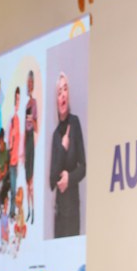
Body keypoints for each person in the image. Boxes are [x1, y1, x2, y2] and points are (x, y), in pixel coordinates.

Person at [49, 72, 86, 238]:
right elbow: (51, 180)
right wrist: (63, 149)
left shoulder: (75, 123)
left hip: (73, 212)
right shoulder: (56, 135)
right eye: (59, 92)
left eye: (65, 89)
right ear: (56, 100)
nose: (62, 95)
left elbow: (83, 167)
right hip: (59, 215)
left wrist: (69, 179)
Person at [24, 70, 38, 224]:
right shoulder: (26, 104)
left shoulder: (34, 104)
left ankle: (33, 211)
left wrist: (31, 120)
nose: (29, 85)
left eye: (31, 83)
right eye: (28, 83)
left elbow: (37, 126)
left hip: (31, 142)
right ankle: (28, 210)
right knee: (27, 182)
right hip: (25, 141)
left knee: (31, 183)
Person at [8, 86, 21, 219]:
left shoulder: (18, 120)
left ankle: (13, 212)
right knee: (12, 189)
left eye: (19, 100)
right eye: (16, 99)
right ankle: (11, 213)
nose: (18, 102)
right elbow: (10, 143)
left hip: (16, 160)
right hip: (11, 161)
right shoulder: (12, 120)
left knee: (15, 188)